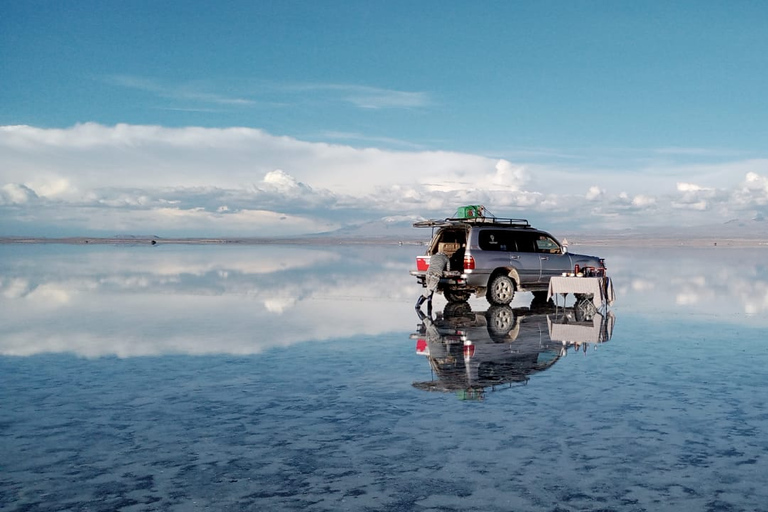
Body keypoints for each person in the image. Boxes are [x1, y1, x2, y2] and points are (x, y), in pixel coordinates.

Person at [415, 250, 451, 315]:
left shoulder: (433, 256)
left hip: (428, 274)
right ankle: (418, 305)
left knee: (429, 290)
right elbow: (448, 270)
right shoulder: (446, 258)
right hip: (435, 276)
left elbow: (431, 264)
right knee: (428, 291)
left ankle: (429, 308)